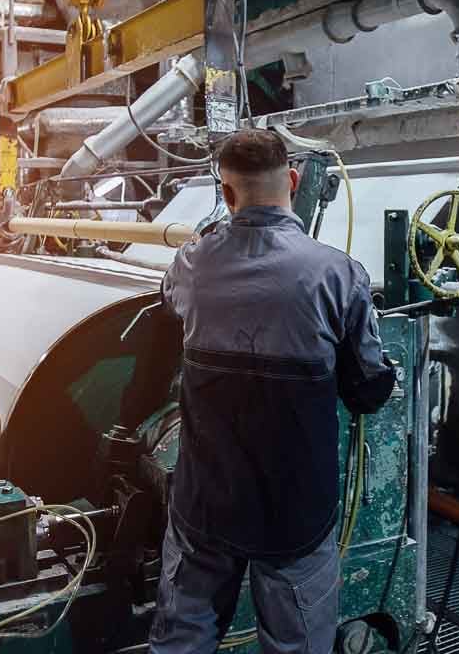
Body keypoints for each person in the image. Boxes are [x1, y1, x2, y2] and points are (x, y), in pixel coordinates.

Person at [151, 128, 396, 654]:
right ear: (293, 179)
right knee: (297, 645)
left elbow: (168, 298)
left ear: (226, 192)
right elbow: (369, 387)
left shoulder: (194, 263)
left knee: (182, 639)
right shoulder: (338, 275)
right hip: (295, 512)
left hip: (206, 502)